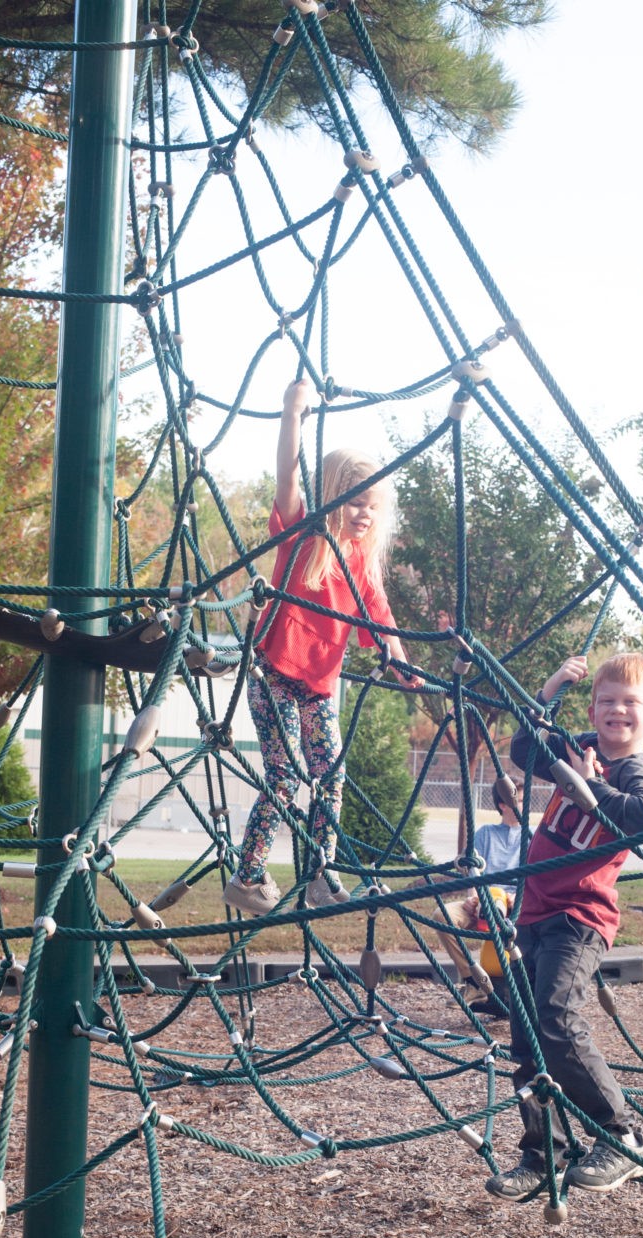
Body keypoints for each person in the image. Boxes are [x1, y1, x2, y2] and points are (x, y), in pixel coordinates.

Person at [224, 376, 420, 916]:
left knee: (330, 776)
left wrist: (401, 663)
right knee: (285, 776)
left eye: (372, 507)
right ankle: (248, 876)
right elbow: (287, 474)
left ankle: (320, 874)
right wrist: (292, 412)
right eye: (355, 502)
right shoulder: (305, 532)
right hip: (272, 676)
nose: (363, 514)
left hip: (320, 688)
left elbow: (381, 619)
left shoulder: (362, 562)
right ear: (333, 497)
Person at [486, 651, 643, 1203]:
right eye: (607, 701)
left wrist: (593, 787)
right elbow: (523, 751)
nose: (617, 711)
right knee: (525, 1038)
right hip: (534, 913)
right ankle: (544, 1153)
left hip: (580, 918)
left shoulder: (633, 769)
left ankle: (622, 1138)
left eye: (630, 702)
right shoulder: (581, 746)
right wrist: (549, 692)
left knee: (557, 1019)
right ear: (593, 706)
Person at [436, 787, 523, 1006]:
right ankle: (473, 981)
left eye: (523, 800)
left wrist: (517, 897)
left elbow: (536, 878)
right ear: (502, 805)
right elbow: (471, 870)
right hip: (483, 902)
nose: (523, 805)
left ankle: (524, 986)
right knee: (442, 915)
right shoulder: (486, 834)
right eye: (519, 800)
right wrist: (471, 896)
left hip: (515, 904)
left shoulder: (530, 836)